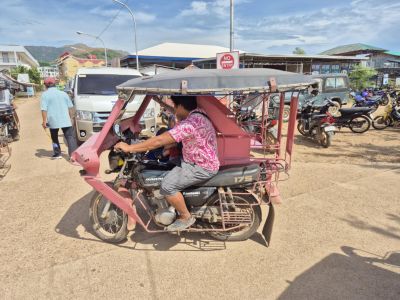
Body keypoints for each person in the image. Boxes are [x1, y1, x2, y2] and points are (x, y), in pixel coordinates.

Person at [115, 95, 220, 231]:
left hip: (200, 166)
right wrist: (159, 101)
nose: (174, 110)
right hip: (197, 160)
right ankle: (169, 205)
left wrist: (130, 148)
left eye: (175, 106)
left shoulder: (189, 124)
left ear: (181, 106)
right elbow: (178, 112)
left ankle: (185, 216)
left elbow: (159, 141)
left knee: (167, 186)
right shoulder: (198, 113)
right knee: (162, 165)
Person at [41, 77, 77, 160]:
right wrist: (72, 118)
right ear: (55, 84)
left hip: (53, 121)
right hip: (65, 120)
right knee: (70, 137)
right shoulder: (63, 94)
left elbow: (44, 109)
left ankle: (57, 154)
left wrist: (44, 121)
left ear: (46, 85)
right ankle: (73, 156)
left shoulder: (45, 95)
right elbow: (71, 107)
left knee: (54, 138)